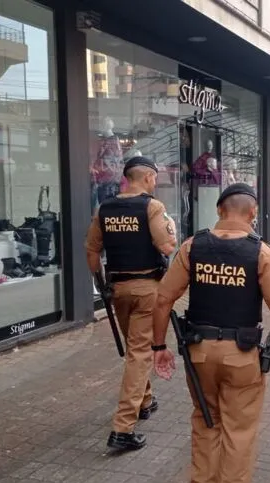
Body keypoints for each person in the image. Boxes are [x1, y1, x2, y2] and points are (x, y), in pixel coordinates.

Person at [151, 183, 270, 483]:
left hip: (198, 352)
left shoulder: (193, 247)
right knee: (239, 431)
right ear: (252, 213)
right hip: (241, 354)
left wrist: (158, 347)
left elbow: (163, 299)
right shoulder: (260, 252)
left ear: (220, 210)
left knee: (206, 420)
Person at [84, 155, 177, 452]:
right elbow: (166, 246)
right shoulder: (152, 206)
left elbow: (92, 251)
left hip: (117, 289)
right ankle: (123, 428)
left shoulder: (104, 208)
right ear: (148, 178)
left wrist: (101, 284)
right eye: (155, 179)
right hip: (147, 288)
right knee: (140, 352)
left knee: (135, 349)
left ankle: (145, 401)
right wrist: (171, 229)